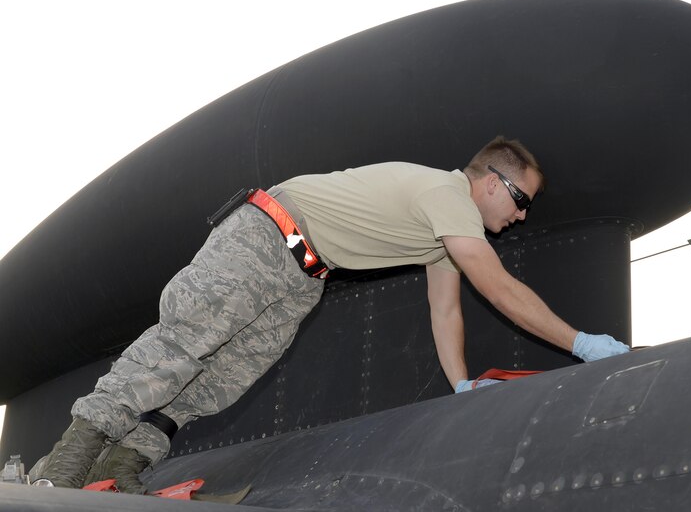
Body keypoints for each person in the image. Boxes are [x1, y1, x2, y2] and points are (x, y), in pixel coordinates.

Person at [30, 136, 628, 492]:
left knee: (217, 380)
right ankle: (70, 460)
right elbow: (496, 287)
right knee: (182, 346)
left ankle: (124, 463)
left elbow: (447, 311)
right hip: (265, 235)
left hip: (302, 275)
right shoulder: (444, 196)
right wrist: (581, 344)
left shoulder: (444, 234)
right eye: (520, 200)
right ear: (491, 182)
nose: (521, 215)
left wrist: (462, 386)